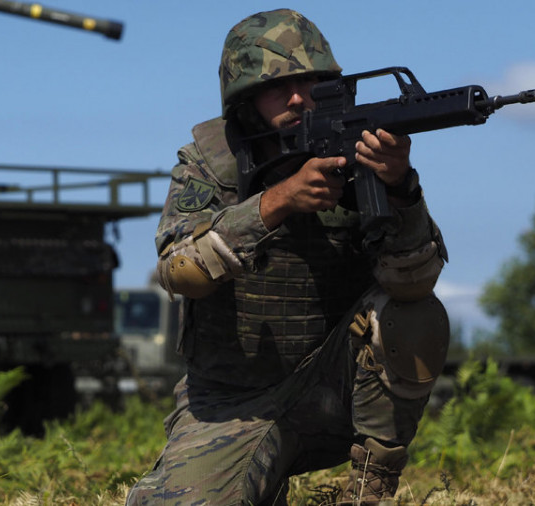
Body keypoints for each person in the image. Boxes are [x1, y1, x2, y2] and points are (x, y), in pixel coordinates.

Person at [126, 9, 450, 506]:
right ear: (245, 98)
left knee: (413, 314)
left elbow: (414, 283)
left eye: (312, 82)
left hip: (336, 390)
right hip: (233, 404)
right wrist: (275, 204)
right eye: (279, 86)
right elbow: (179, 270)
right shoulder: (211, 163)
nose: (299, 98)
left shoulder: (367, 157)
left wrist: (401, 190)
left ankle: (368, 493)